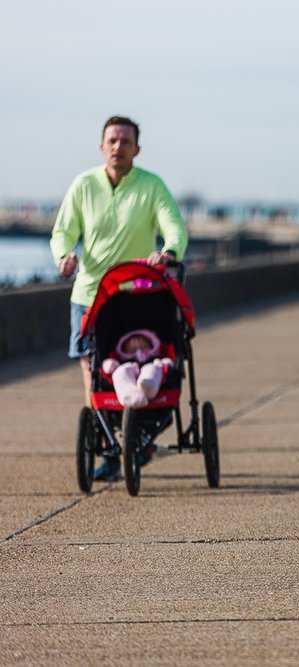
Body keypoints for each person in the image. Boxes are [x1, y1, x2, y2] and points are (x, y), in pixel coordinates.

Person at [50, 116, 188, 481]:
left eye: (125, 141)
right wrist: (64, 256)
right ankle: (109, 445)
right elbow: (63, 230)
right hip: (90, 295)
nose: (118, 146)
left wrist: (170, 250)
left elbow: (172, 223)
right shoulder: (84, 185)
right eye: (112, 140)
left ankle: (136, 437)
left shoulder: (151, 186)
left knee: (141, 359)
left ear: (136, 149)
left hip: (134, 296)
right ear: (101, 146)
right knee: (93, 371)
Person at [101, 329, 173, 408]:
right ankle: (129, 394)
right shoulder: (121, 360)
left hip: (152, 367)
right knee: (120, 372)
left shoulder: (156, 358)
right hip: (127, 368)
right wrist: (110, 365)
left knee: (152, 369)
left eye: (143, 347)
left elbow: (167, 363)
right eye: (132, 349)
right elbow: (109, 365)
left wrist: (165, 363)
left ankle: (148, 385)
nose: (139, 351)